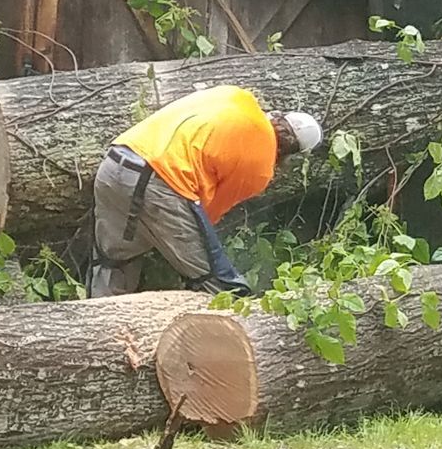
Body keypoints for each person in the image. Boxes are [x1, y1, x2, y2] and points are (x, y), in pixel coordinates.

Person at [88, 86, 323, 298]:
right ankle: (242, 324)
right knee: (216, 283)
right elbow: (206, 214)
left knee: (113, 263)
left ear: (280, 116)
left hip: (116, 162)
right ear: (291, 153)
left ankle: (98, 324)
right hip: (162, 185)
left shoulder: (236, 95)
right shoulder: (261, 167)